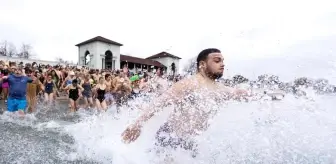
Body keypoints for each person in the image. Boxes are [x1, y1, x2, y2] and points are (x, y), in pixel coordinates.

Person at [121, 48, 248, 158]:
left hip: (191, 143)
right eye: (217, 60)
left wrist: (259, 95)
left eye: (222, 61)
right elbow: (159, 103)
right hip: (170, 138)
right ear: (202, 64)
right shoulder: (188, 84)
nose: (222, 64)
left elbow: (237, 92)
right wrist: (137, 125)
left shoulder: (220, 88)